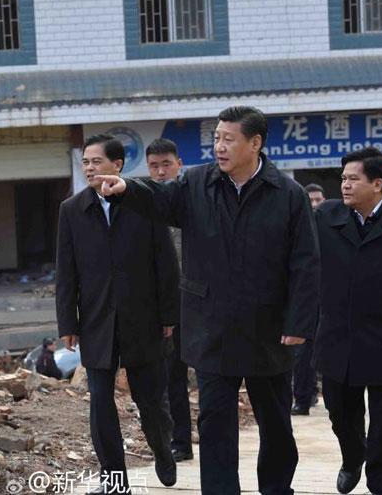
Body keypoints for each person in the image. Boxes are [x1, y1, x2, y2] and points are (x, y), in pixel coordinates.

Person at [98, 106, 320, 495]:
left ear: (255, 143)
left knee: (276, 424)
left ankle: (276, 489)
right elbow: (161, 199)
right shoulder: (197, 183)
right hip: (211, 325)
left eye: (228, 139)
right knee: (215, 423)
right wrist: (127, 188)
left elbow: (306, 264)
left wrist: (299, 323)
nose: (219, 146)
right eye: (216, 137)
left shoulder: (288, 195)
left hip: (267, 329)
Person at [56, 134, 180, 494]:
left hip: (144, 319)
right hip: (96, 321)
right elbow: (66, 273)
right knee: (100, 401)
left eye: (97, 161)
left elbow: (166, 266)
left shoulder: (145, 203)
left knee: (151, 401)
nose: (90, 168)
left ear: (118, 165)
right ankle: (114, 479)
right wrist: (68, 323)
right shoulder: (72, 210)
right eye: (86, 162)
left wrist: (169, 315)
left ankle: (163, 450)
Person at [313, 148, 382, 495]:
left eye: (353, 178)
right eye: (343, 178)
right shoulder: (325, 217)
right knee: (340, 414)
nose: (344, 185)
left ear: (377, 184)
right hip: (337, 334)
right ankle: (353, 457)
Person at [145, 138, 193, 463]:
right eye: (154, 166)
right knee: (167, 378)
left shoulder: (193, 203)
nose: (161, 172)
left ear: (179, 164)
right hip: (162, 309)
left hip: (197, 304)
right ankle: (176, 442)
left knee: (201, 377)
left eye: (166, 165)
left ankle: (191, 440)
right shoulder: (142, 205)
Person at [291, 183, 326, 416]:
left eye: (318, 200)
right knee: (302, 351)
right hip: (304, 298)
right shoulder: (296, 226)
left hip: (330, 298)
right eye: (310, 200)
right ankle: (302, 398)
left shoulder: (334, 225)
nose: (314, 205)